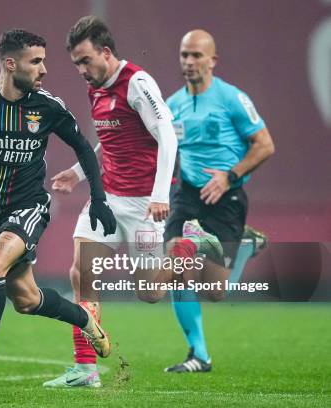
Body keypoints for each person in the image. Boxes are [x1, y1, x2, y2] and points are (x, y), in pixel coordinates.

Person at [0, 29, 117, 390]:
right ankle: (85, 320)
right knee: (27, 300)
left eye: (44, 61)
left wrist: (99, 197)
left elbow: (83, 147)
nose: (44, 70)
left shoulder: (48, 106)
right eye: (36, 62)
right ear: (10, 64)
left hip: (28, 206)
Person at [45, 16, 178, 388]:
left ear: (106, 52)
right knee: (80, 271)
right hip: (108, 198)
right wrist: (78, 172)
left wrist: (160, 194)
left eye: (86, 61)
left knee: (149, 292)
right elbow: (112, 141)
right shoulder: (96, 87)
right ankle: (86, 369)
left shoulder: (137, 82)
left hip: (144, 207)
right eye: (76, 64)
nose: (82, 71)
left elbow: (167, 135)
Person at [163, 29, 275, 373]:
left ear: (213, 61)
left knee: (215, 291)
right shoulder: (172, 104)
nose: (189, 62)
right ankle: (199, 355)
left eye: (197, 55)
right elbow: (167, 152)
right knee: (174, 265)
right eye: (184, 55)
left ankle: (245, 244)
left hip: (226, 195)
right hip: (188, 195)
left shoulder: (231, 99)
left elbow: (265, 145)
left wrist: (229, 176)